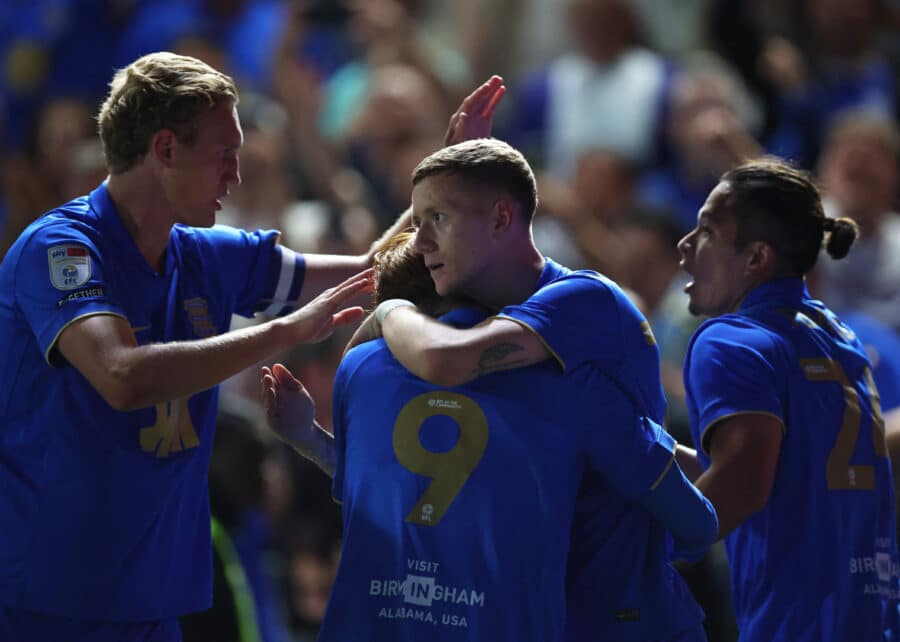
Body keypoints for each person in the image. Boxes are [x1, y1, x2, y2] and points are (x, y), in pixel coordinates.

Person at [0, 51, 386, 642]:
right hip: (50, 593)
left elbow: (366, 272)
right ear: (165, 150)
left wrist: (444, 185)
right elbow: (122, 375)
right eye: (224, 154)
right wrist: (284, 330)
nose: (236, 174)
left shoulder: (205, 252)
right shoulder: (60, 248)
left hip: (153, 594)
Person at [323, 132, 715, 640]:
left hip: (621, 616)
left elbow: (447, 360)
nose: (420, 243)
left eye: (437, 219)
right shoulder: (536, 373)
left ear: (501, 218)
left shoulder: (581, 302)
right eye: (417, 223)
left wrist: (389, 314)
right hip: (545, 613)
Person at [674, 157, 899, 641]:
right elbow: (780, 471)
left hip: (796, 627)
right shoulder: (835, 333)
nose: (686, 245)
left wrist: (637, 553)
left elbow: (743, 484)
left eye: (708, 230)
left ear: (756, 258)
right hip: (872, 620)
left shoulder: (730, 339)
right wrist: (647, 447)